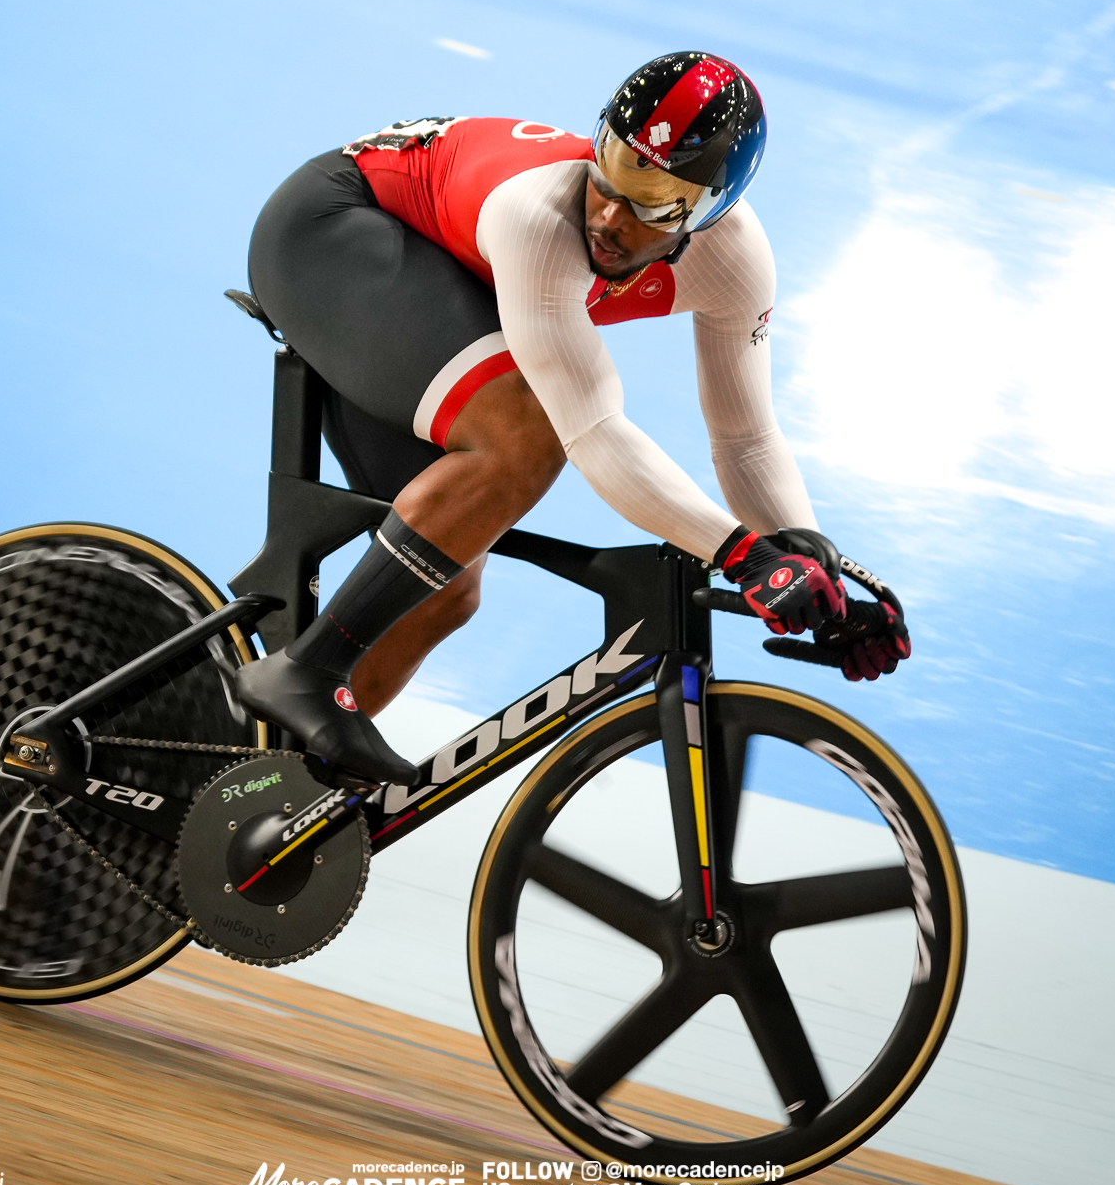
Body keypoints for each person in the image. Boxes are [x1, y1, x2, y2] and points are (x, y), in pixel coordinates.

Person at [234, 52, 909, 785]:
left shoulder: (735, 262)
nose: (614, 216)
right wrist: (747, 558)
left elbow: (745, 438)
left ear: (710, 209)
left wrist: (811, 564)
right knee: (523, 439)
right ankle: (306, 671)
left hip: (445, 280)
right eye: (615, 168)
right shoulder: (540, 214)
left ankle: (268, 791)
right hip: (336, 231)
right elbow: (590, 432)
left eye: (656, 198)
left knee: (443, 585)